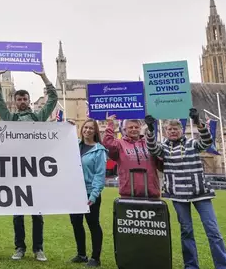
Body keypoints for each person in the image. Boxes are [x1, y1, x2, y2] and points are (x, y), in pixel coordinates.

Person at [145, 110, 226, 269]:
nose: (172, 131)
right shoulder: (163, 148)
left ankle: (224, 266)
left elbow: (207, 141)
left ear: (181, 130)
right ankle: (191, 266)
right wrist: (150, 130)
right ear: (165, 132)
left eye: (175, 129)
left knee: (213, 232)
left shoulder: (192, 143)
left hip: (200, 193)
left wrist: (198, 122)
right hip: (178, 196)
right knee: (186, 232)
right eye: (169, 129)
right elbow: (152, 148)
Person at [0, 67, 57, 262]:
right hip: (16, 170)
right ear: (15, 101)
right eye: (19, 99)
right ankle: (19, 247)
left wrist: (43, 77)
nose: (22, 102)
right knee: (18, 214)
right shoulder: (10, 118)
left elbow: (53, 99)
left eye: (24, 99)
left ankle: (38, 249)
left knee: (37, 213)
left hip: (35, 170)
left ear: (29, 101)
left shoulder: (38, 117)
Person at [69, 119, 108, 267]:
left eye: (91, 128)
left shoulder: (99, 150)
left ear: (95, 131)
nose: (88, 130)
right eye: (85, 127)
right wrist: (68, 125)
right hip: (75, 192)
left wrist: (94, 195)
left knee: (93, 224)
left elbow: (99, 175)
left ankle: (95, 258)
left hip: (90, 193)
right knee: (76, 224)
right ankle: (81, 254)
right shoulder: (76, 145)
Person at [102, 114, 160, 199]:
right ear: (125, 130)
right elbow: (108, 144)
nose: (134, 129)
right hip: (128, 192)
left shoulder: (149, 143)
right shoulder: (119, 144)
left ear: (140, 129)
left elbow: (161, 162)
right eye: (130, 127)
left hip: (151, 192)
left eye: (136, 127)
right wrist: (110, 125)